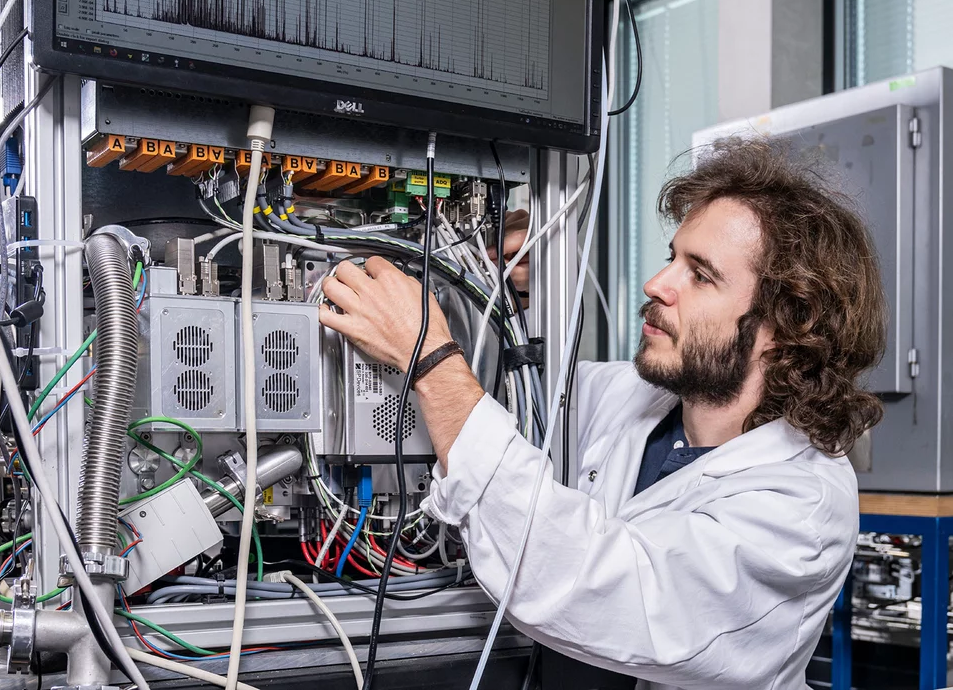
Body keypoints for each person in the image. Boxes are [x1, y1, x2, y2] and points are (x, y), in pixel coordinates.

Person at [318, 136, 885, 690]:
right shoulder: (637, 398)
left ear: (784, 330)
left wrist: (431, 359)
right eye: (672, 259)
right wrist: (474, 274)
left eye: (701, 274)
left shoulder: (799, 509)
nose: (657, 284)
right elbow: (507, 399)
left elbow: (595, 585)